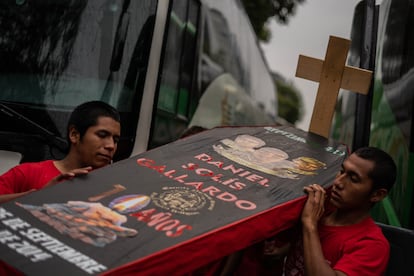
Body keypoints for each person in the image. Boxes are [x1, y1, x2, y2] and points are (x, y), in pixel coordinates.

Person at [281, 146, 397, 275]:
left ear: (377, 194)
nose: (338, 182)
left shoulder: (372, 245)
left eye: (353, 179)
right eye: (342, 172)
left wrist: (309, 224)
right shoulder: (322, 210)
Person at [0, 101, 121, 204]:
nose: (110, 146)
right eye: (102, 135)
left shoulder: (114, 188)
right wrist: (39, 196)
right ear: (74, 135)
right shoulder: (27, 173)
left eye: (115, 140)